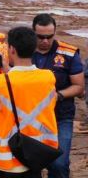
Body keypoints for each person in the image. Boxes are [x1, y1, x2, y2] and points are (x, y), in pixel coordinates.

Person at [0, 27, 59, 178]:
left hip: (8, 158)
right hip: (37, 153)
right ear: (34, 48)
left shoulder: (2, 81)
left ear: (11, 49)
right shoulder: (48, 77)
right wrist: (8, 70)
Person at [31, 14, 84, 178]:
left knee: (59, 164)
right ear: (33, 33)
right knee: (31, 165)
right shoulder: (23, 51)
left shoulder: (68, 53)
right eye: (41, 37)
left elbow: (79, 87)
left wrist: (58, 95)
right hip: (31, 118)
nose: (45, 41)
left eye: (49, 36)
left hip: (60, 117)